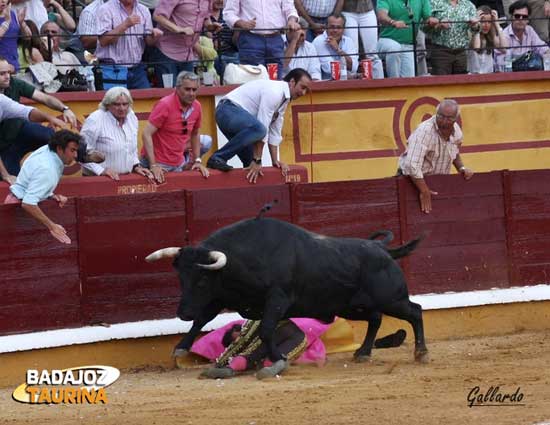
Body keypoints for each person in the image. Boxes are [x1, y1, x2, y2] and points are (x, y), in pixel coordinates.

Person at [207, 68, 312, 183]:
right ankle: (218, 157)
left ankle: (245, 193)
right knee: (260, 131)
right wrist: (258, 160)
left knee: (250, 163)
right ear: (292, 82)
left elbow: (275, 132)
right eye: (302, 87)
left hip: (228, 114)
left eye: (306, 90)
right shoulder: (275, 92)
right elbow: (263, 127)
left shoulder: (283, 100)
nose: (303, 93)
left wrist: (275, 161)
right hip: (227, 111)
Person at [0, 55, 77, 176]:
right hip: (3, 147)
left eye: (8, 72)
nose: (7, 77)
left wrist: (64, 109)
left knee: (49, 135)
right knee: (12, 181)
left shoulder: (14, 83)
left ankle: (83, 154)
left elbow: (44, 99)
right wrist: (5, 175)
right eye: (2, 74)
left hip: (19, 132)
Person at [397, 99, 474, 214]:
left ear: (455, 119)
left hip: (438, 182)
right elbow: (411, 165)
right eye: (440, 116)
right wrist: (424, 190)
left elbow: (454, 151)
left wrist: (461, 168)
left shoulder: (456, 131)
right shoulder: (424, 131)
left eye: (449, 118)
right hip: (413, 182)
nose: (443, 121)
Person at [5, 129, 80, 244]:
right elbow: (28, 203)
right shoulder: (47, 169)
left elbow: (33, 179)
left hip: (15, 201)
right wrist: (52, 226)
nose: (75, 155)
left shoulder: (47, 149)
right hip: (19, 209)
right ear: (59, 148)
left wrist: (50, 194)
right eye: (72, 150)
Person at [140, 71, 210, 184]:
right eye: (187, 89)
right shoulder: (165, 104)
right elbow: (146, 134)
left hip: (177, 163)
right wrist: (153, 165)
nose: (191, 93)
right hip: (158, 163)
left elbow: (195, 133)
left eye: (194, 90)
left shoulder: (197, 106)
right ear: (177, 88)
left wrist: (197, 161)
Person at [80, 87, 154, 181]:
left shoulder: (132, 117)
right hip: (98, 180)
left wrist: (136, 166)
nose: (122, 108)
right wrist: (101, 171)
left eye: (125, 104)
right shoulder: (95, 119)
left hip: (125, 180)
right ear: (107, 105)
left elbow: (131, 148)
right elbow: (81, 153)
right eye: (116, 104)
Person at [223, 0, 301, 79]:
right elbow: (229, 13)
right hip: (251, 40)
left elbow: (290, 8)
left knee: (274, 80)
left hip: (274, 40)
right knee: (255, 79)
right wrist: (242, 23)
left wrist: (292, 20)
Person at [95, 0, 163, 89]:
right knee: (115, 102)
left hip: (137, 69)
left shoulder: (143, 10)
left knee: (145, 99)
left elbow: (148, 42)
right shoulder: (106, 9)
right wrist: (125, 25)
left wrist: (155, 36)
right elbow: (103, 41)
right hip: (112, 69)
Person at [151, 0, 219, 88]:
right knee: (169, 93)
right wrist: (178, 29)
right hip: (167, 53)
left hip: (188, 55)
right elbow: (158, 16)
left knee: (189, 92)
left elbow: (205, 17)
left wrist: (210, 26)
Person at [376, 0, 437, 78]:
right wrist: (393, 22)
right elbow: (381, 15)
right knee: (394, 48)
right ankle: (393, 83)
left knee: (409, 80)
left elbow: (427, 17)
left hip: (408, 45)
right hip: (386, 40)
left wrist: (431, 20)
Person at [427, 0, 479, 75]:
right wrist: (439, 25)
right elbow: (423, 27)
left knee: (461, 84)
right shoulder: (434, 3)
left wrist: (474, 25)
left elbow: (477, 29)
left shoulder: (469, 5)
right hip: (441, 52)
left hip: (461, 53)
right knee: (441, 84)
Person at [335, 0, 383, 78]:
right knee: (352, 52)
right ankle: (352, 83)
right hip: (347, 11)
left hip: (367, 10)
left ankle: (380, 81)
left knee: (372, 53)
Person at [494, 0, 549, 67]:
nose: (520, 19)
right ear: (511, 17)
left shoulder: (529, 30)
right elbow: (502, 64)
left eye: (524, 17)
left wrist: (547, 53)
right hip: (509, 75)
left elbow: (543, 49)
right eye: (517, 16)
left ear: (528, 20)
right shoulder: (504, 35)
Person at [312, 13, 359, 79]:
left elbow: (354, 67)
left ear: (344, 29)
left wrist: (338, 50)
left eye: (339, 27)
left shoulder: (349, 41)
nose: (335, 30)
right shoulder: (319, 41)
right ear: (326, 27)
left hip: (347, 82)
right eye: (332, 27)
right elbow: (329, 69)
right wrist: (349, 73)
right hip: (327, 84)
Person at [468, 6, 508, 73]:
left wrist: (497, 24)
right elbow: (476, 47)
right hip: (473, 78)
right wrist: (476, 25)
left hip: (488, 77)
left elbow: (504, 49)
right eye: (483, 22)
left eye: (489, 22)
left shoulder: (491, 37)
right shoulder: (471, 34)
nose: (486, 25)